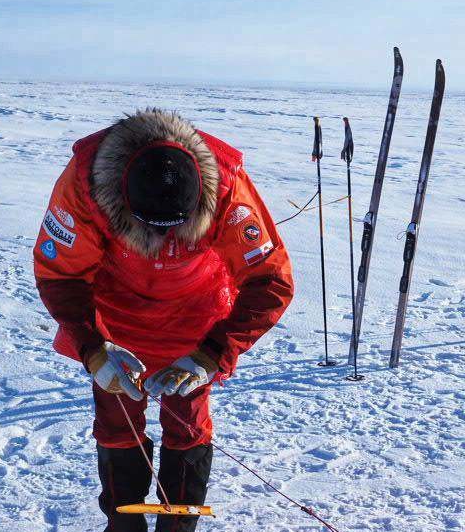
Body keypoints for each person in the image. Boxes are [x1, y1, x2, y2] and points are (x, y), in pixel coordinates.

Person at [32, 108, 294, 531]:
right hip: (114, 316)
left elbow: (270, 280)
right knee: (117, 414)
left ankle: (179, 525)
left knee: (187, 419)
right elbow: (60, 272)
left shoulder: (227, 184)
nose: (166, 241)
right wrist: (94, 349)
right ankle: (123, 520)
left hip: (197, 315)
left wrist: (212, 354)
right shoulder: (84, 182)